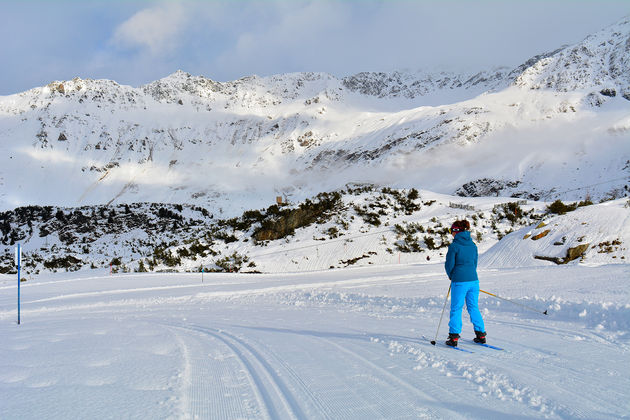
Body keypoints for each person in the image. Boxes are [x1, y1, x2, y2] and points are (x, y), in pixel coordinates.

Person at [444, 219, 486, 347]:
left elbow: (449, 264)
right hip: (474, 280)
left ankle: (454, 338)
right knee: (473, 307)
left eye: (451, 231)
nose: (451, 234)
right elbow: (475, 263)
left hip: (460, 281)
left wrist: (452, 276)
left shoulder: (454, 246)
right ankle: (481, 335)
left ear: (456, 231)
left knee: (456, 308)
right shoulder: (473, 245)